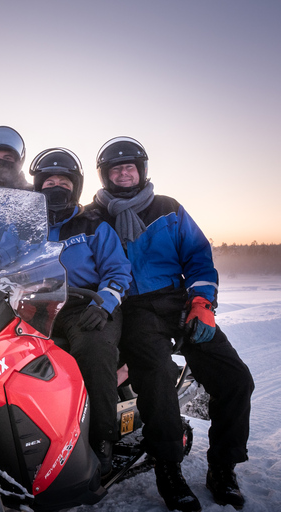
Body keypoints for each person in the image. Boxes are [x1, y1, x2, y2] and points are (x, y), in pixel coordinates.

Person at [87, 136, 254, 511]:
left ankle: (223, 466)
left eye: (130, 166)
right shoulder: (93, 216)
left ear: (142, 170)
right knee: (157, 374)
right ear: (105, 176)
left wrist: (201, 303)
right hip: (132, 308)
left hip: (179, 301)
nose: (125, 173)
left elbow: (197, 255)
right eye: (117, 168)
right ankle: (168, 466)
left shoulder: (169, 209)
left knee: (236, 379)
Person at [30, 147, 132, 477]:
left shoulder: (92, 225)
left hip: (86, 306)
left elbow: (118, 270)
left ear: (75, 186)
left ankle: (101, 440)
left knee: (91, 349)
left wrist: (103, 303)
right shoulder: (25, 230)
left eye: (63, 180)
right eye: (49, 180)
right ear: (38, 186)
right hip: (33, 306)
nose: (55, 185)